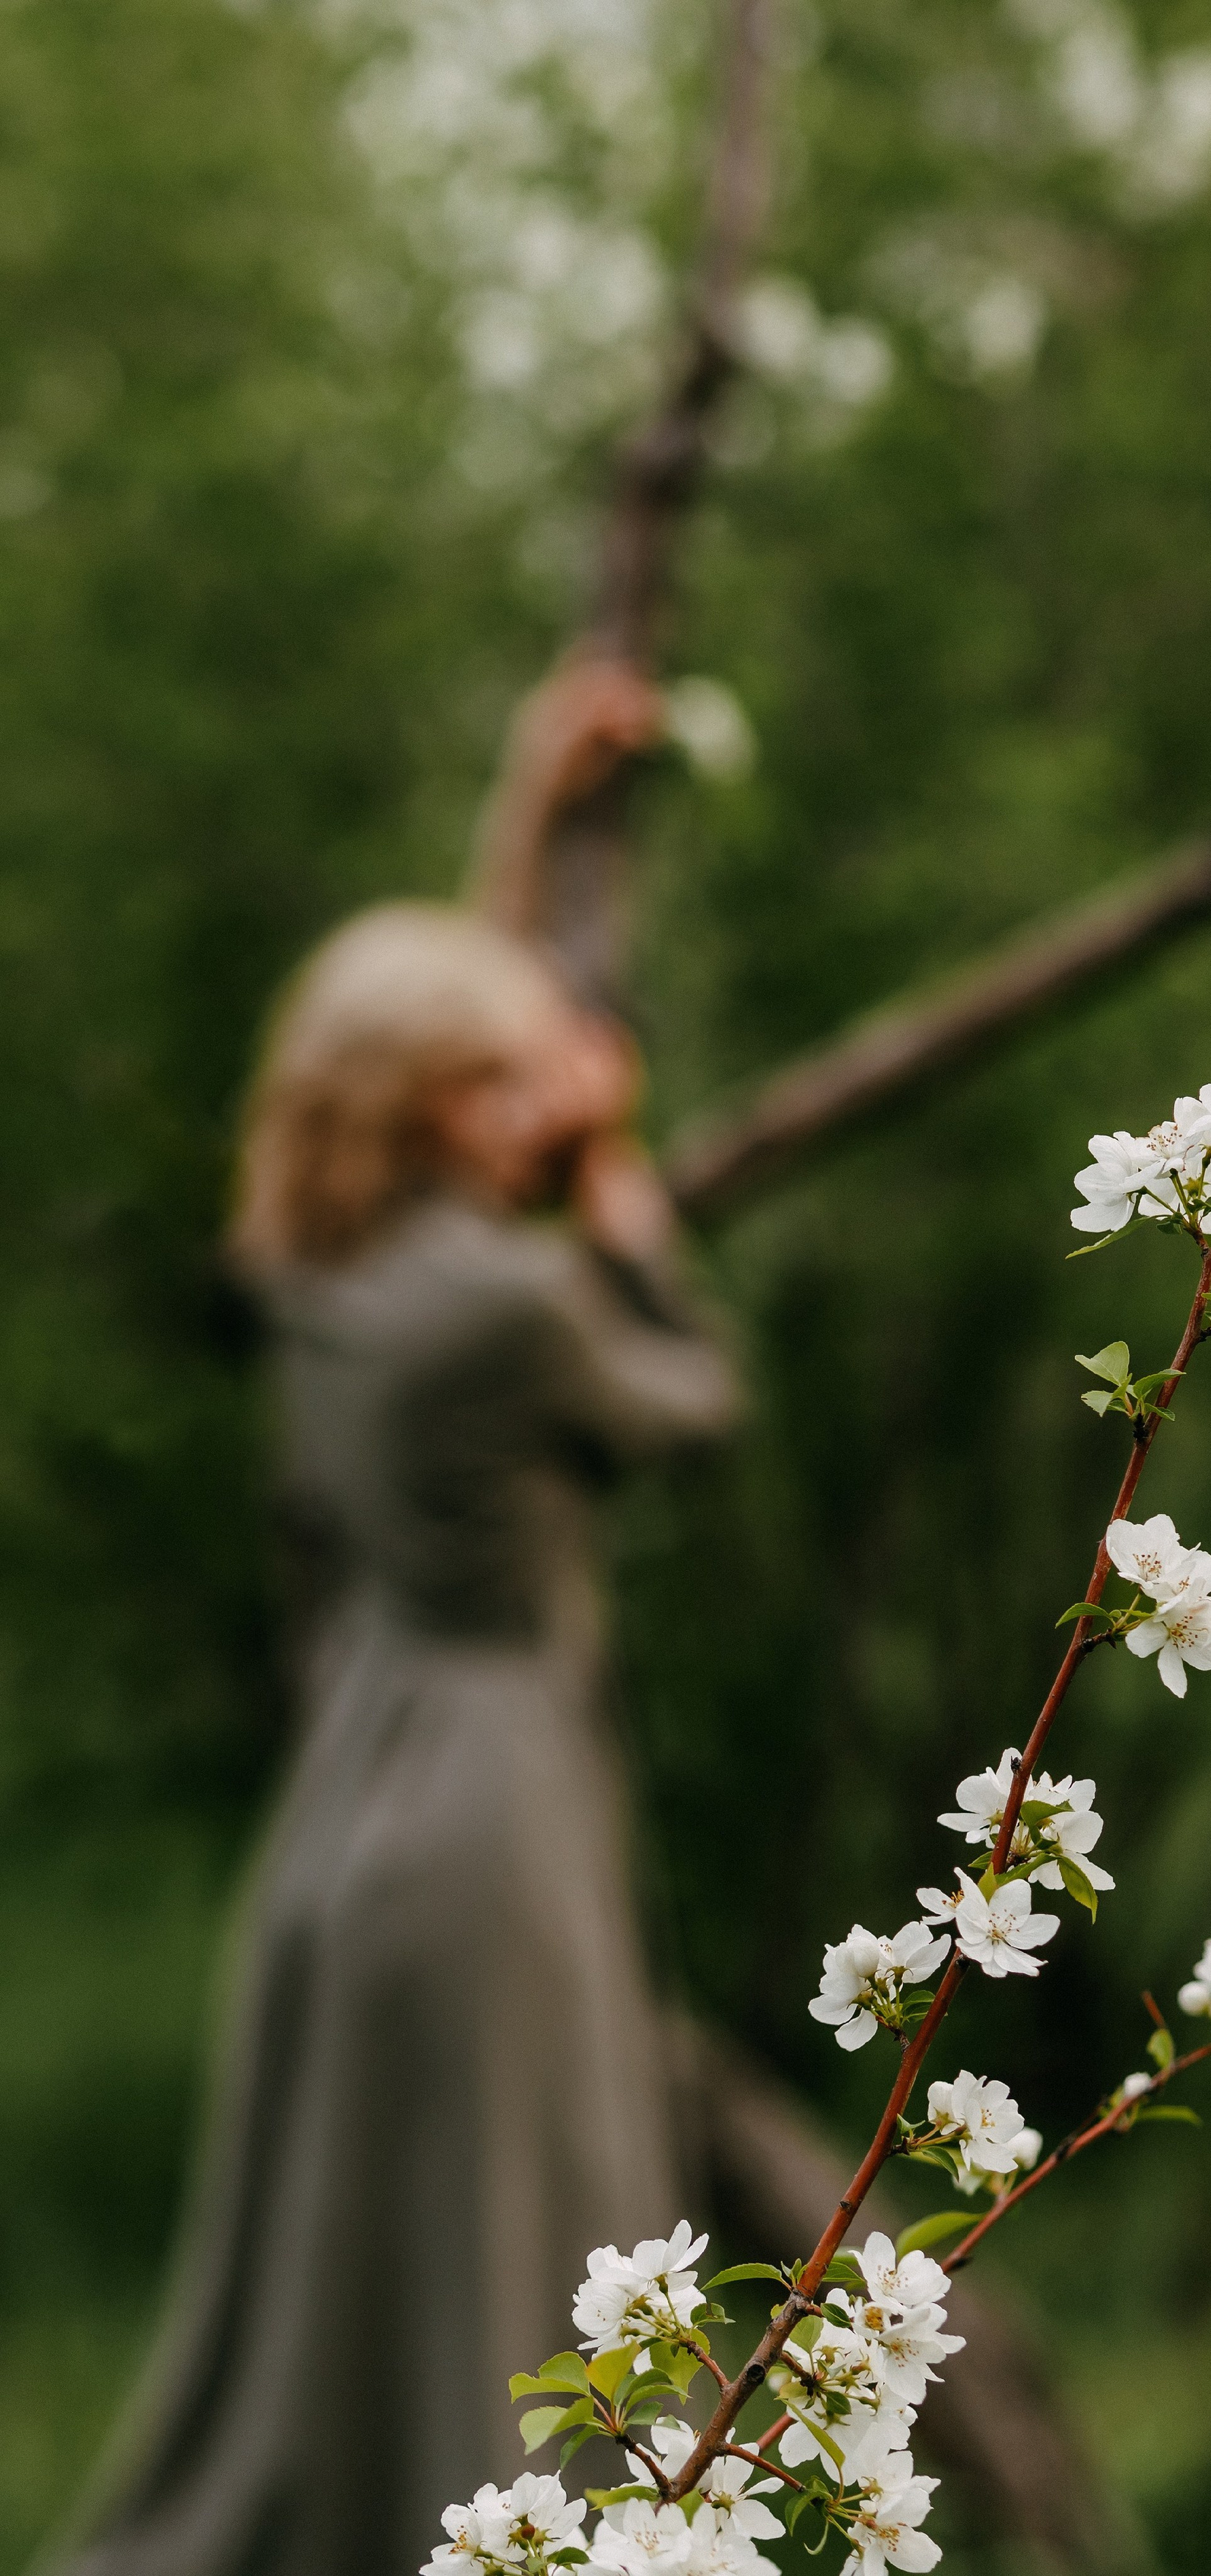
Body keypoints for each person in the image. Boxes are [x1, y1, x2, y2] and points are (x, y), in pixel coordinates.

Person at [49, 673, 742, 2576]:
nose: (547, 1089)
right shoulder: (515, 1303)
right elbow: (691, 1399)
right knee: (535, 2245)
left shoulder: (308, 1257)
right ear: (444, 1107)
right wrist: (628, 1212)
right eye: (511, 1080)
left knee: (373, 2277)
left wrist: (530, 812)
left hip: (356, 1791)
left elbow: (444, 1016)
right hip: (496, 1799)